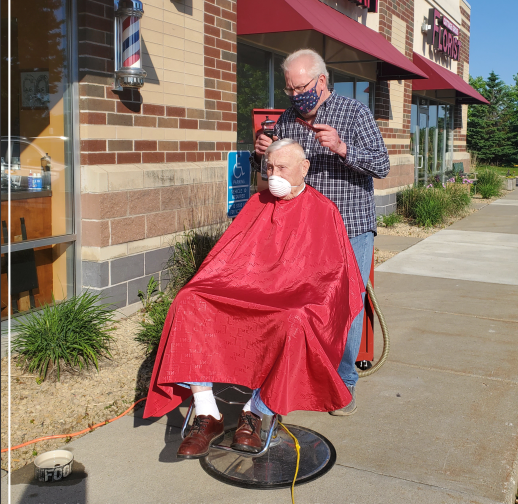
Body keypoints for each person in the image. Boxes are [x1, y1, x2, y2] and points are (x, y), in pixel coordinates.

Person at [143, 139, 364, 458]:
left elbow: (332, 276)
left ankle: (256, 411)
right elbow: (229, 256)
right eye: (269, 167)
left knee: (294, 319)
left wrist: (301, 295)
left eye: (282, 168)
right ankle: (207, 414)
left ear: (304, 169)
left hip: (294, 297)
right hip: (247, 287)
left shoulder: (323, 210)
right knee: (190, 300)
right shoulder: (256, 203)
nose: (273, 174)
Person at [253, 49, 390, 415]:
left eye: (302, 87)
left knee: (346, 306)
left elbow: (382, 164)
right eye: (291, 89)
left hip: (350, 226)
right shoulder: (288, 118)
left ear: (321, 81)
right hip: (303, 228)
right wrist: (261, 154)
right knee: (302, 304)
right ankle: (305, 374)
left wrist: (343, 148)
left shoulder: (354, 112)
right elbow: (277, 172)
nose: (298, 96)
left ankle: (344, 383)